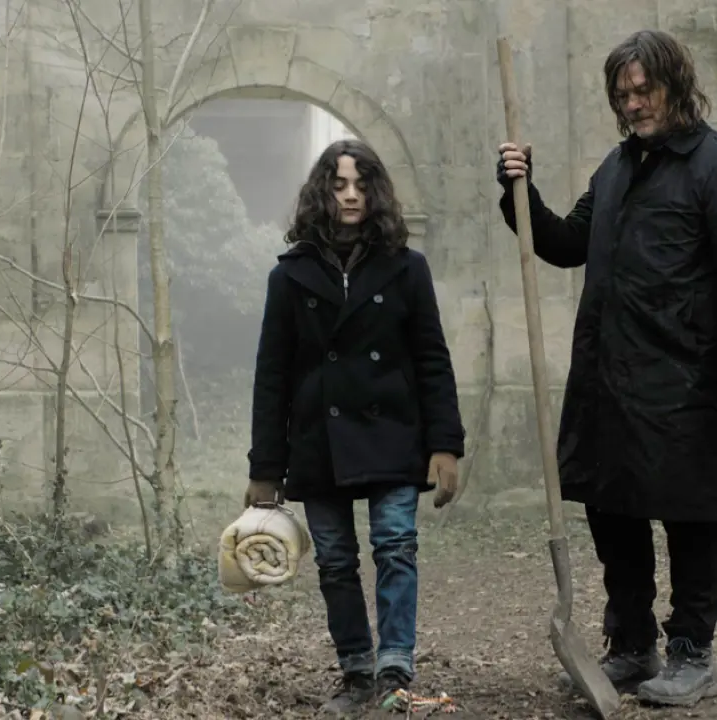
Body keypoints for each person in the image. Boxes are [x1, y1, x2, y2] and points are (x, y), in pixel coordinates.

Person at [496, 29, 717, 707]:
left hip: (687, 383)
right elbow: (565, 243)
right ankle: (631, 644)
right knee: (613, 514)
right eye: (623, 94)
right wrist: (519, 191)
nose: (634, 103)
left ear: (678, 85)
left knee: (690, 519)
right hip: (609, 382)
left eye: (645, 90)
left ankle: (692, 653)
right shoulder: (616, 171)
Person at [245, 138, 466, 716]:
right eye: (339, 185)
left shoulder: (407, 268)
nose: (350, 195)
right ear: (322, 193)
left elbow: (432, 359)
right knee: (336, 562)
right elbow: (272, 376)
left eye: (361, 185)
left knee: (395, 546)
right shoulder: (289, 277)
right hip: (318, 442)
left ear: (376, 193)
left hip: (392, 432)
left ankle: (394, 668)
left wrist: (445, 445)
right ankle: (356, 671)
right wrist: (265, 469)